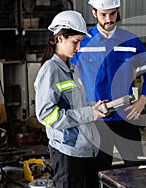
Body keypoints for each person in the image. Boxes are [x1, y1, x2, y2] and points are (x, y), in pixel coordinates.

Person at [71, 0, 146, 170]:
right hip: (94, 121)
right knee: (97, 173)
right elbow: (68, 77)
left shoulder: (130, 41)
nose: (108, 19)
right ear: (94, 12)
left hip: (125, 118)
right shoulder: (82, 43)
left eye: (112, 13)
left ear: (118, 10)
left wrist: (143, 100)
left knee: (136, 170)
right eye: (103, 15)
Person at [34, 10, 108, 188]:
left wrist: (94, 108)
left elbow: (76, 104)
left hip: (83, 148)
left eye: (80, 42)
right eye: (75, 42)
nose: (79, 48)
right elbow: (46, 115)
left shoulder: (71, 68)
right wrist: (88, 114)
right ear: (60, 38)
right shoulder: (50, 70)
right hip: (66, 151)